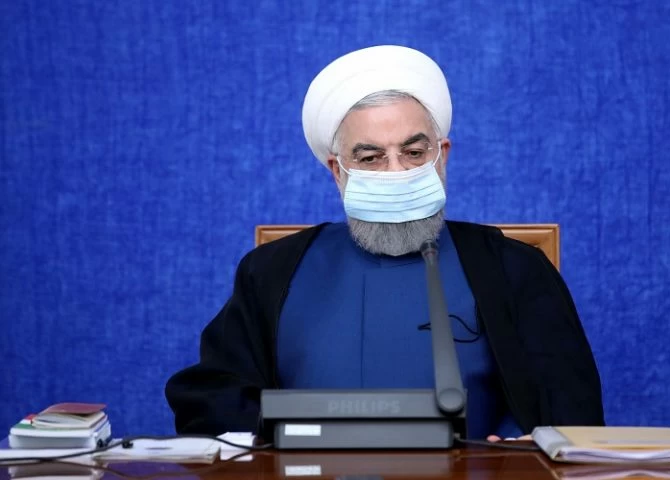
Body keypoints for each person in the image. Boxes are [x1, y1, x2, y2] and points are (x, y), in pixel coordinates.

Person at [165, 45, 604, 440]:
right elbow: (214, 401)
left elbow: (571, 413)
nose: (396, 172)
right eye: (370, 158)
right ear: (337, 171)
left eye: (413, 153)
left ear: (442, 155)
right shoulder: (271, 272)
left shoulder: (513, 268)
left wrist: (513, 455)